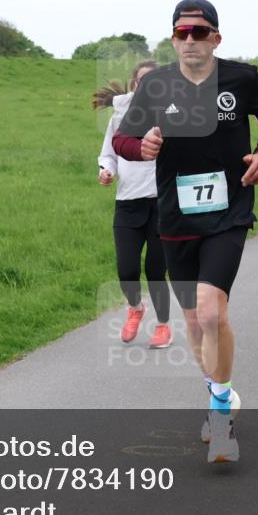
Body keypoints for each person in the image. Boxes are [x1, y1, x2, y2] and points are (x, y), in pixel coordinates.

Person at [113, 0, 258, 463]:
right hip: (175, 215)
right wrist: (141, 145)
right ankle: (219, 390)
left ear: (216, 38)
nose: (190, 39)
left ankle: (220, 411)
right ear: (173, 38)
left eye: (199, 31)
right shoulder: (158, 85)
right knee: (192, 320)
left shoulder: (241, 78)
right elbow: (121, 139)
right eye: (181, 32)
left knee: (211, 313)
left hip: (229, 209)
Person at [96, 60, 172, 349]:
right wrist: (107, 171)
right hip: (127, 202)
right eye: (143, 81)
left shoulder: (172, 115)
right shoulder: (120, 116)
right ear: (135, 86)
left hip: (162, 204)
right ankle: (136, 308)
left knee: (155, 271)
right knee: (126, 270)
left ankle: (163, 326)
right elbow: (108, 154)